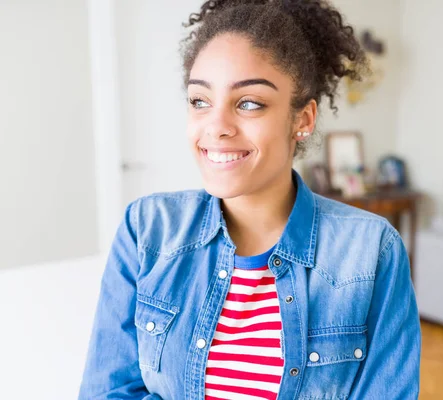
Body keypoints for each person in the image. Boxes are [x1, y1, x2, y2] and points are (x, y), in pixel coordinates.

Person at [78, 0, 421, 399]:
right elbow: (109, 391)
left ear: (303, 119)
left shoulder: (370, 251)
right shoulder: (147, 229)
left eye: (249, 103)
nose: (217, 127)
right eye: (200, 101)